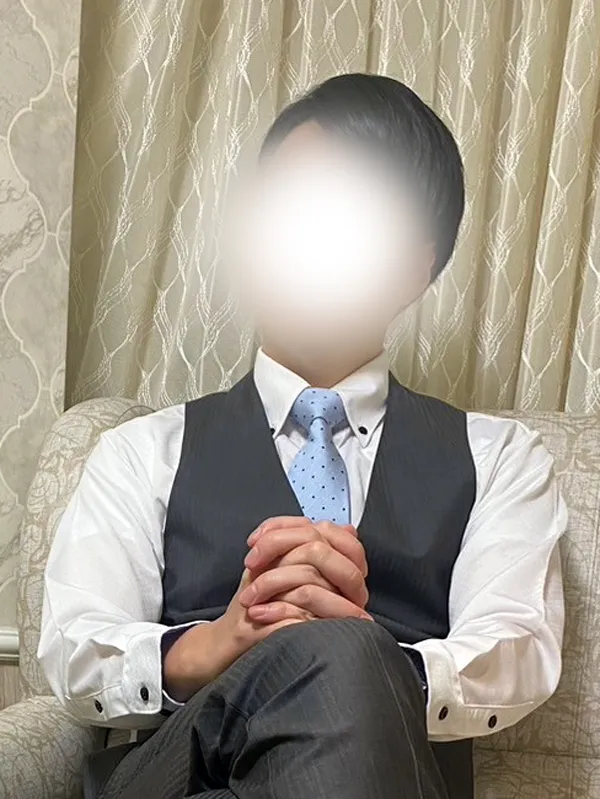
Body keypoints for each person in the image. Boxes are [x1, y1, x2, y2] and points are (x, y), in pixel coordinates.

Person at [39, 73, 567, 799]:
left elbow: (518, 646)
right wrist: (213, 645)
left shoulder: (500, 459)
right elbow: (73, 645)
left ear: (414, 268)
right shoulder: (140, 451)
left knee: (347, 660)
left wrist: (365, 660)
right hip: (181, 770)